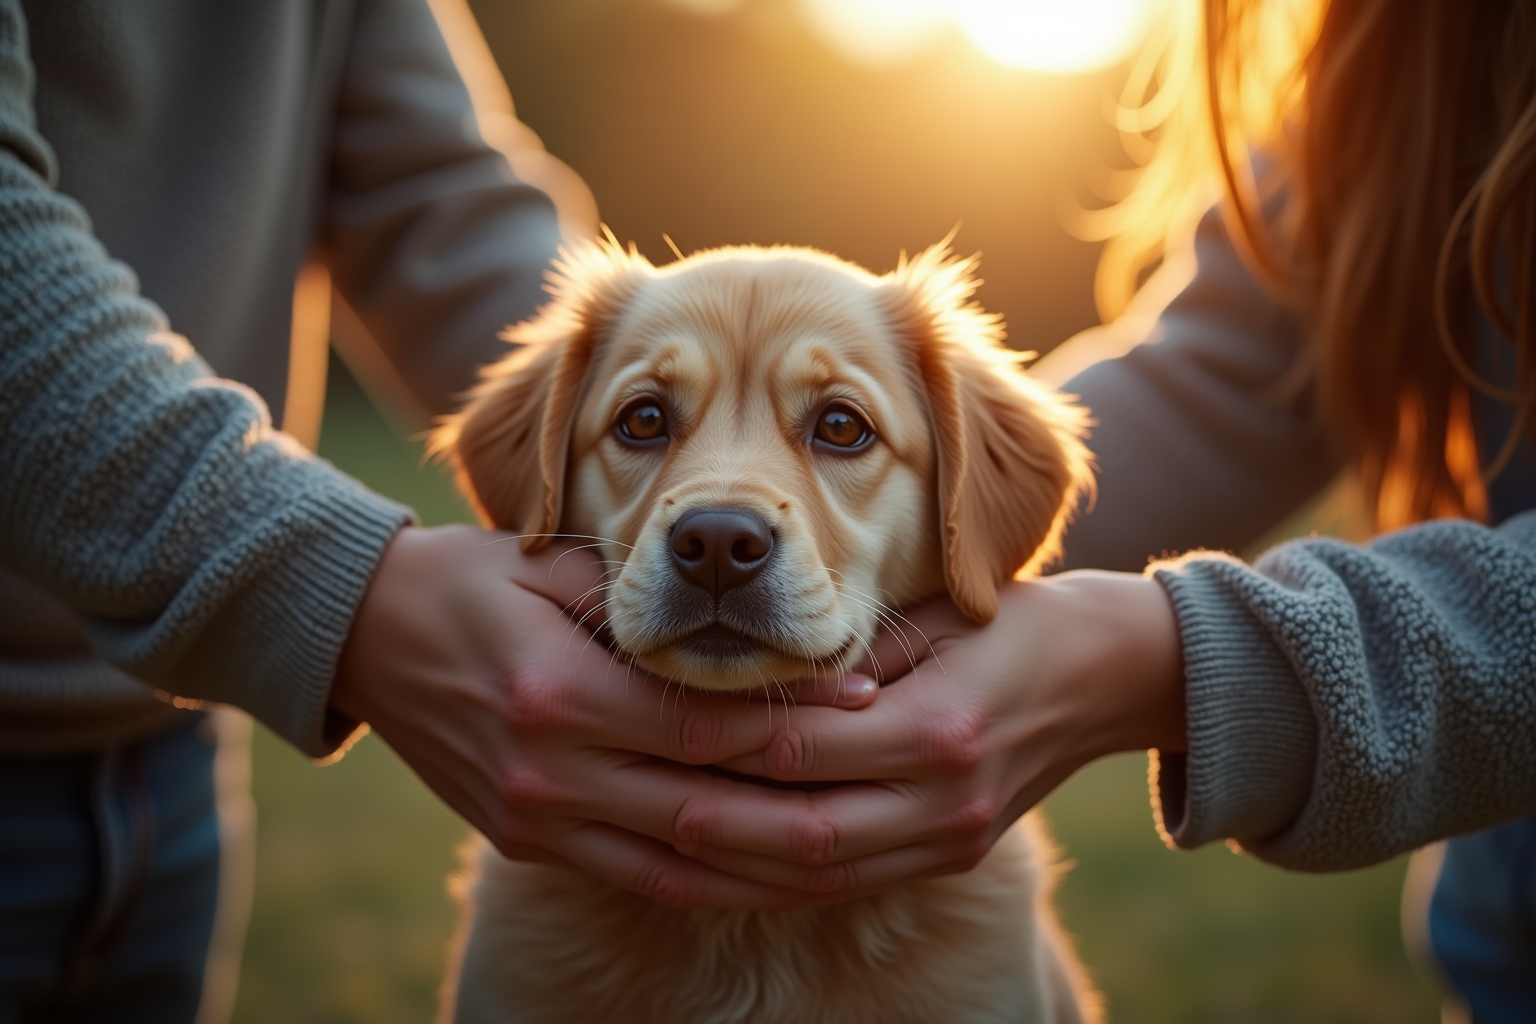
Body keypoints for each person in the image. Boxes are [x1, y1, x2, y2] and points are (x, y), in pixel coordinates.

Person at [613, 1, 1536, 1020]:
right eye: (647, 418)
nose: (724, 514)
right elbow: (1228, 382)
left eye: (838, 426)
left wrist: (1165, 654)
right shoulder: (1405, 39)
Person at [0, 2, 882, 1021]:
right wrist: (350, 598)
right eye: (647, 421)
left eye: (842, 430)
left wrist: (628, 363)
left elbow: (437, 204)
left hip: (167, 745)